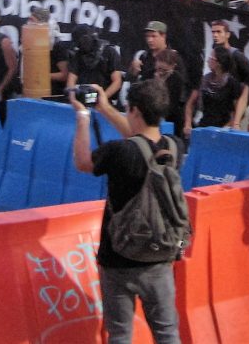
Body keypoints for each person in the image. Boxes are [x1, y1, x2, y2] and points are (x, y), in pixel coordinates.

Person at [72, 79, 184, 344]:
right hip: (160, 256)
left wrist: (83, 115)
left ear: (134, 110)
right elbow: (141, 140)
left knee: (120, 335)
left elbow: (82, 161)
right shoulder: (175, 147)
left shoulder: (119, 151)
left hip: (118, 258)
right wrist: (105, 108)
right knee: (167, 334)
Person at [66, 24, 123, 102]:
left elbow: (117, 82)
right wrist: (72, 97)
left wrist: (102, 98)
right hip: (84, 97)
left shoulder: (109, 52)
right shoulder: (78, 55)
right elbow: (71, 80)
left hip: (104, 97)